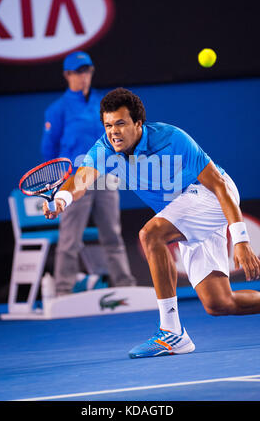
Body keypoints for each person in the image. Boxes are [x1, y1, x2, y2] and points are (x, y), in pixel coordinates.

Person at [43, 87, 260, 358]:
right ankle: (176, 332)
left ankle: (171, 331)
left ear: (138, 123)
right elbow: (81, 180)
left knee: (151, 234)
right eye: (109, 125)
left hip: (210, 196)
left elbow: (219, 186)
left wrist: (240, 239)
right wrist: (62, 199)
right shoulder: (104, 149)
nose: (114, 132)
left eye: (121, 124)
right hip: (182, 211)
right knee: (219, 303)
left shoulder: (172, 138)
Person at [41, 55, 136, 295]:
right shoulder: (57, 109)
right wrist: (60, 183)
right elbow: (49, 150)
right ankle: (63, 293)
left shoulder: (104, 105)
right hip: (74, 179)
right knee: (70, 239)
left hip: (105, 176)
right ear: (67, 75)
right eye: (77, 72)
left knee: (112, 235)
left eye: (86, 71)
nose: (83, 76)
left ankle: (126, 289)